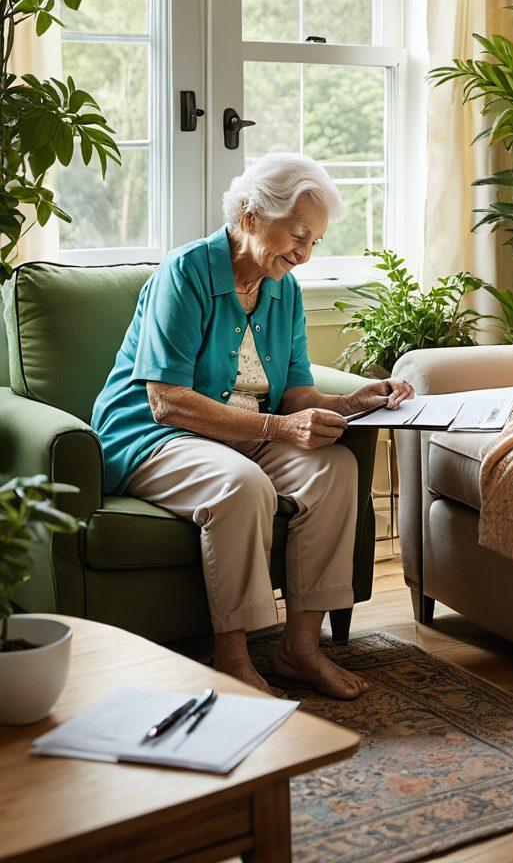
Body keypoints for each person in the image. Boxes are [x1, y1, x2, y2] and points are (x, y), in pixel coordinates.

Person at [92, 153, 414, 699]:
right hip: (155, 435)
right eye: (299, 236)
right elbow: (166, 401)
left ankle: (300, 650)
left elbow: (295, 393)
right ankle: (233, 661)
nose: (305, 254)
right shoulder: (185, 272)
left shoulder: (284, 289)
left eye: (315, 242)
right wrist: (279, 429)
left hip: (243, 434)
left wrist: (353, 400)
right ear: (250, 216)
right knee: (241, 486)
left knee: (334, 469)